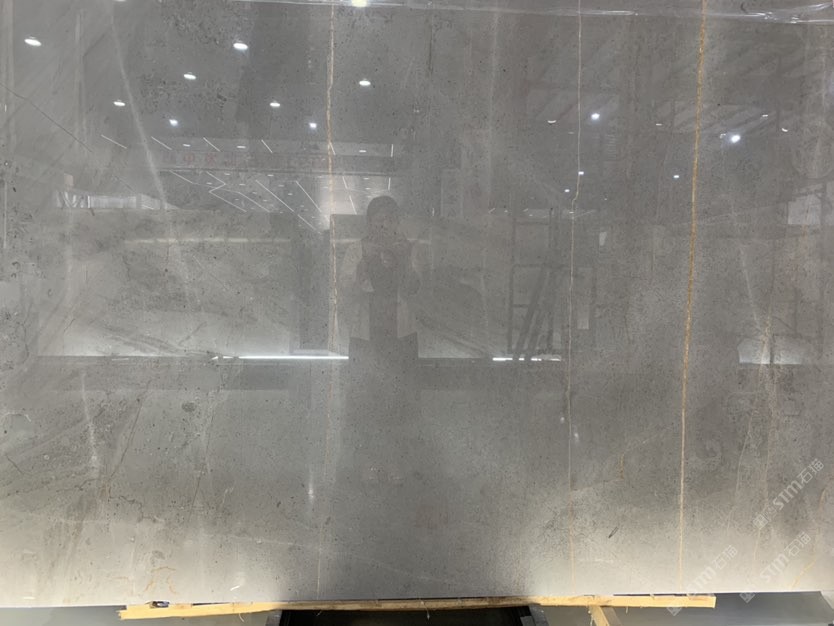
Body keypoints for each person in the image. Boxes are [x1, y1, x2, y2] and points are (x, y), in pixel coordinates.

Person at [339, 196, 420, 346]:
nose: (385, 225)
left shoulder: (407, 249)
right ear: (369, 222)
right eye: (379, 220)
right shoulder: (356, 249)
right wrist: (365, 260)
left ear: (397, 223)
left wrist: (405, 260)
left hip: (402, 332)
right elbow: (345, 288)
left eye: (390, 220)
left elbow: (415, 289)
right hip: (365, 332)